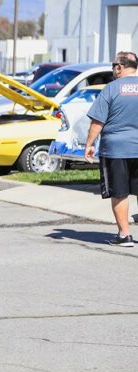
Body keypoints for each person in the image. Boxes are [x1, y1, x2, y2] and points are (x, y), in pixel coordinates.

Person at [85, 51, 138, 247]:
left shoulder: (111, 89)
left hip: (116, 150)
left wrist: (89, 144)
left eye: (113, 66)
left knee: (120, 192)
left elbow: (98, 122)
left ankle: (124, 235)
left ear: (120, 67)